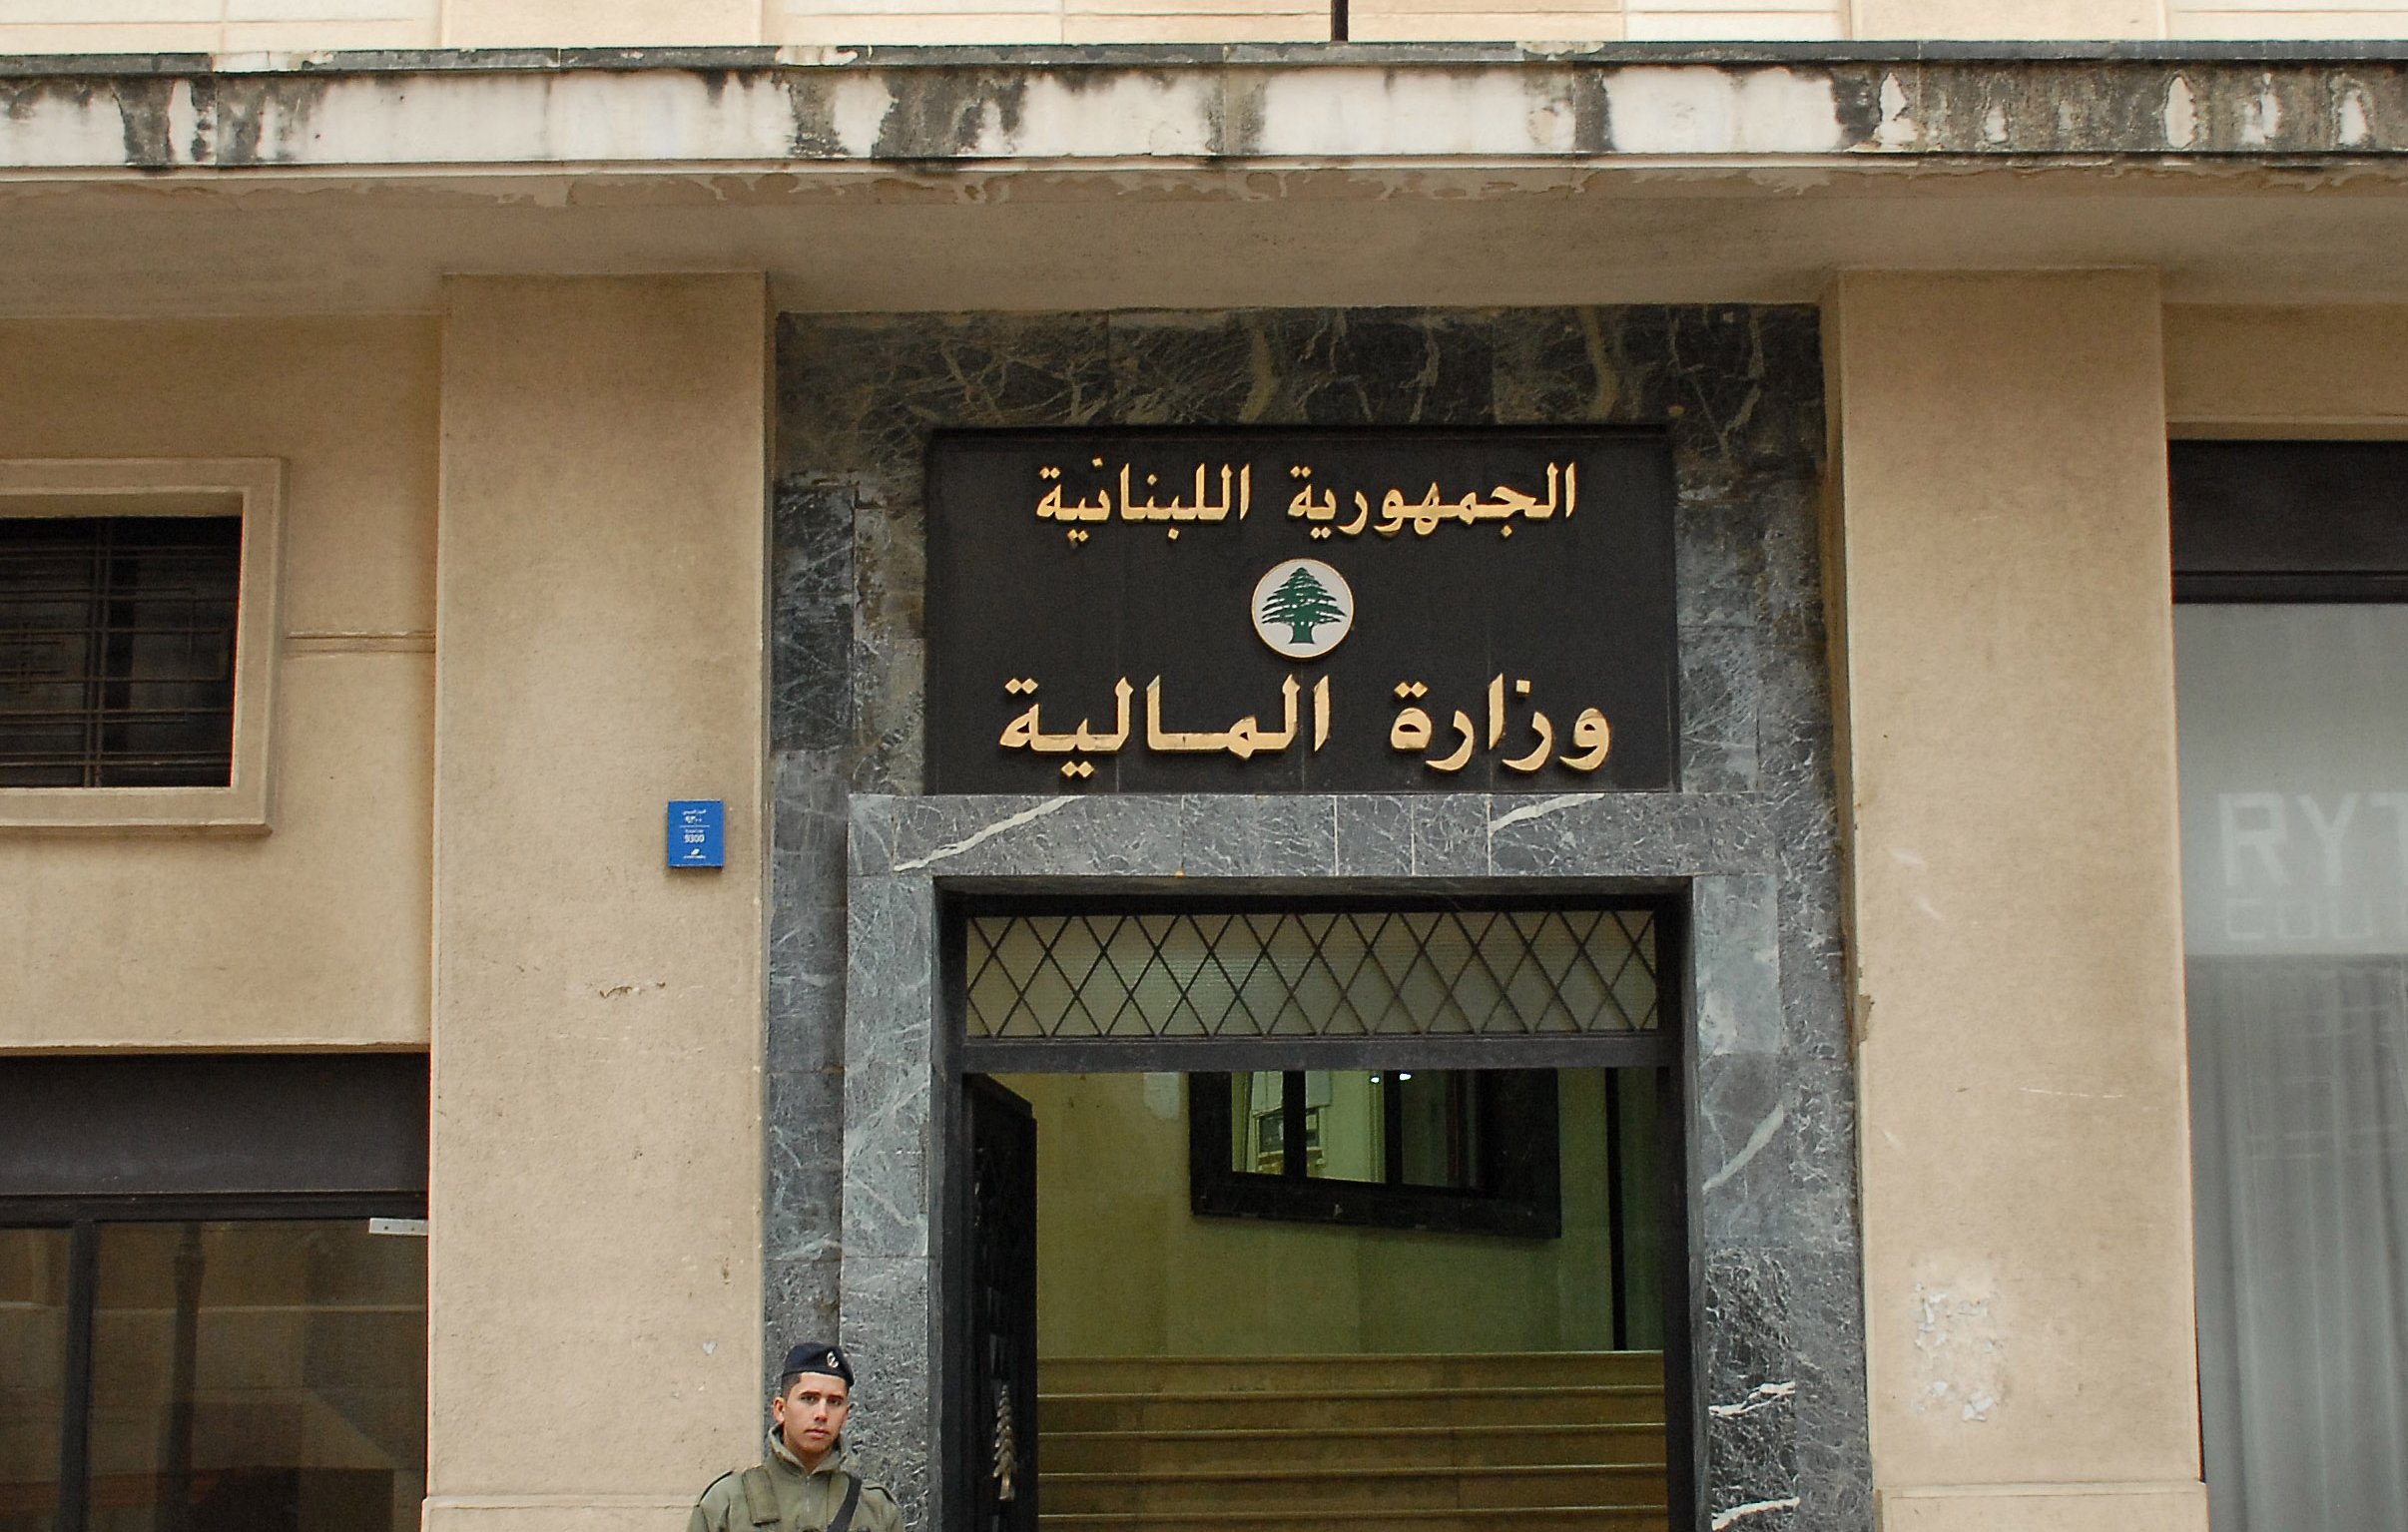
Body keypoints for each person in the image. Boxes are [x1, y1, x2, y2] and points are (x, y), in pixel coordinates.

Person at [689, 1342, 903, 1532]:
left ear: (846, 1415)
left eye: (834, 1402)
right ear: (780, 1409)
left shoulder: (875, 1508)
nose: (822, 1413)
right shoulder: (727, 1502)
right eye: (809, 1398)